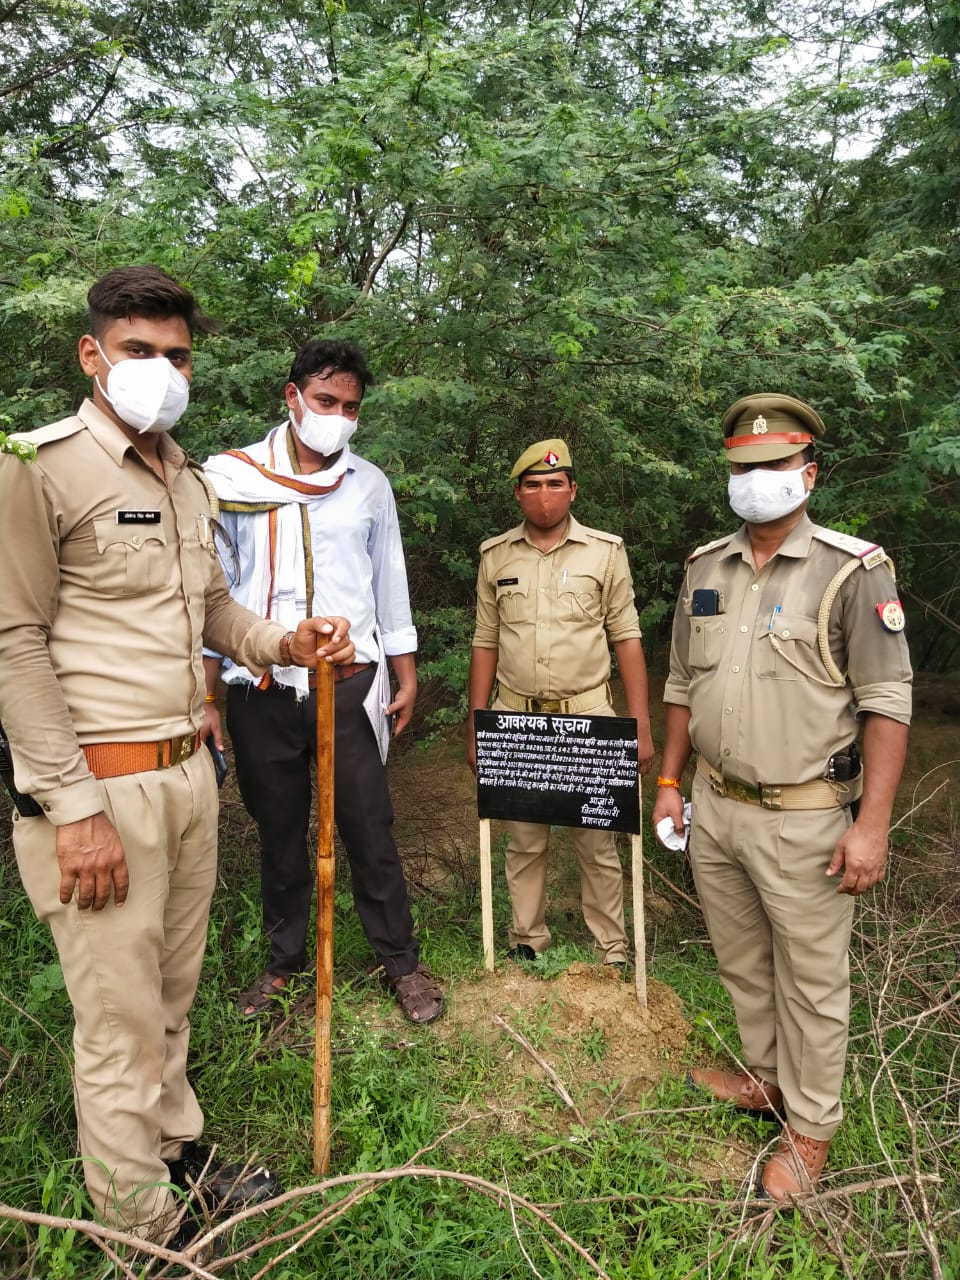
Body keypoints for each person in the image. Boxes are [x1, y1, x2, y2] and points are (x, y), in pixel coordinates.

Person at [0, 266, 356, 1239]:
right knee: (116, 1026)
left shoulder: (186, 477)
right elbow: (12, 640)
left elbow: (210, 612)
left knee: (169, 997)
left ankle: (175, 1153)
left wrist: (286, 642)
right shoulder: (40, 465)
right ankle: (144, 1237)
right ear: (93, 354)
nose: (161, 370)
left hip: (189, 776)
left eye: (177, 354)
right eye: (139, 350)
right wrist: (70, 810)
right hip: (99, 790)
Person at [653, 393, 912, 1201]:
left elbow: (888, 702)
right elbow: (679, 684)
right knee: (743, 964)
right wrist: (668, 780)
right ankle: (766, 1077)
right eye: (742, 467)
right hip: (716, 807)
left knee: (812, 979)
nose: (756, 479)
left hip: (806, 816)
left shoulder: (850, 570)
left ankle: (811, 1129)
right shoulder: (705, 567)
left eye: (772, 466)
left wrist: (871, 827)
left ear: (808, 472)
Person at [203, 339, 444, 1025]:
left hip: (349, 685)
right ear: (292, 397)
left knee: (369, 825)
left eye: (350, 406)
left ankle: (400, 960)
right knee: (278, 831)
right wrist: (207, 695)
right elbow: (210, 595)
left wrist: (405, 670)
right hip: (261, 687)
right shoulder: (231, 478)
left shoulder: (367, 483)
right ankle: (284, 965)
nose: (337, 415)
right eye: (325, 400)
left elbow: (388, 578)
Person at [466, 439, 655, 964]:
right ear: (518, 493)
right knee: (524, 838)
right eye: (533, 485)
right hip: (515, 718)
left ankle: (611, 948)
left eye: (555, 484)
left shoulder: (605, 552)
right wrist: (476, 722)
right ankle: (527, 940)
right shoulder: (495, 556)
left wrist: (638, 725)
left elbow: (628, 639)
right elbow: (485, 640)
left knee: (598, 839)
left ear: (572, 491)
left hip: (590, 716)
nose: (544, 495)